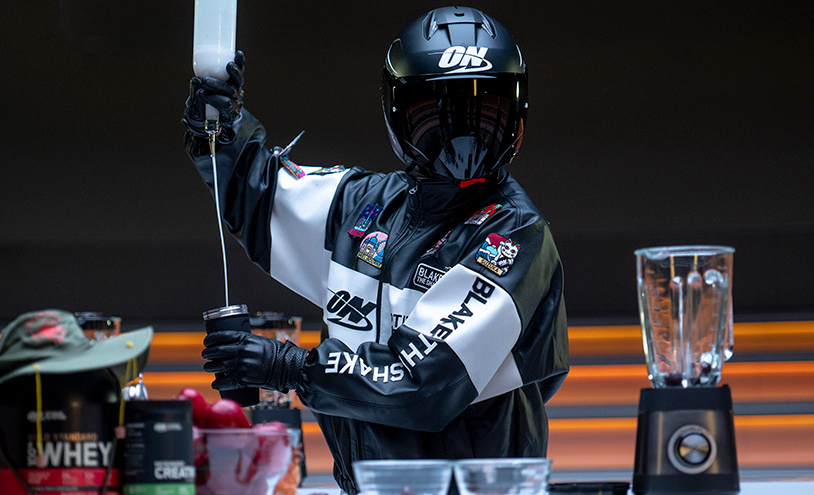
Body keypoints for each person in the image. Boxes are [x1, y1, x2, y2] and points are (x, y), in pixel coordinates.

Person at [182, 6, 569, 494]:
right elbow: (256, 196)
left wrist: (287, 366)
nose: (462, 137)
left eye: (486, 114)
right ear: (397, 115)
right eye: (434, 115)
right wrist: (219, 125)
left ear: (517, 114)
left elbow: (421, 384)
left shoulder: (514, 236)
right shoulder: (361, 206)